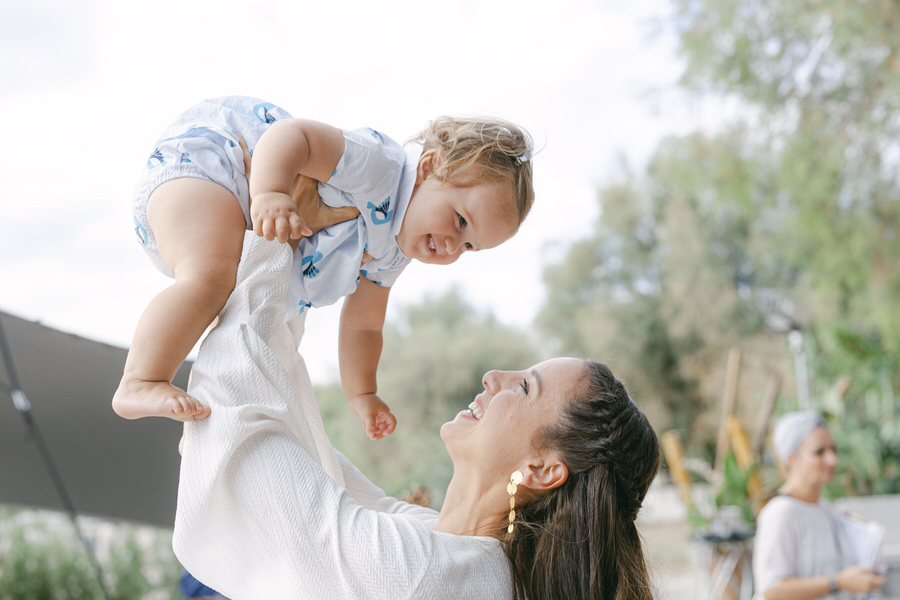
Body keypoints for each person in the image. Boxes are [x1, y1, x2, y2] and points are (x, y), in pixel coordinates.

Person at [173, 232, 661, 599]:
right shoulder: (460, 556)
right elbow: (308, 457)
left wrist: (274, 235)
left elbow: (247, 443)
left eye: (525, 386)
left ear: (544, 470)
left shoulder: (424, 574)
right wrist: (303, 269)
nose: (494, 375)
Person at [113, 96, 534, 439]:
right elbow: (291, 136)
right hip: (215, 169)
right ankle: (140, 380)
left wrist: (364, 392)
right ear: (429, 168)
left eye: (469, 246)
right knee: (210, 279)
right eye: (460, 221)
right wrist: (271, 193)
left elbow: (364, 326)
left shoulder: (391, 254)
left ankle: (216, 433)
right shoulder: (380, 168)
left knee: (253, 330)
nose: (451, 248)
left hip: (229, 222)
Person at [753, 410, 887, 599]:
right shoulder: (781, 513)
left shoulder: (826, 509)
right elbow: (772, 590)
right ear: (792, 458)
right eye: (819, 452)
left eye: (833, 450)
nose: (832, 459)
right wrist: (838, 582)